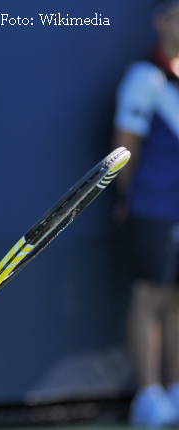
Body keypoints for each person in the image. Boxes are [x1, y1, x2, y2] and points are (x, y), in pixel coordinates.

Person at [112, 1, 179, 426]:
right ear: (161, 21)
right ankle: (149, 395)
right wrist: (127, 198)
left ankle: (174, 388)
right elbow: (125, 147)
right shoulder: (144, 78)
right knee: (149, 296)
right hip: (152, 209)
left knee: (176, 300)